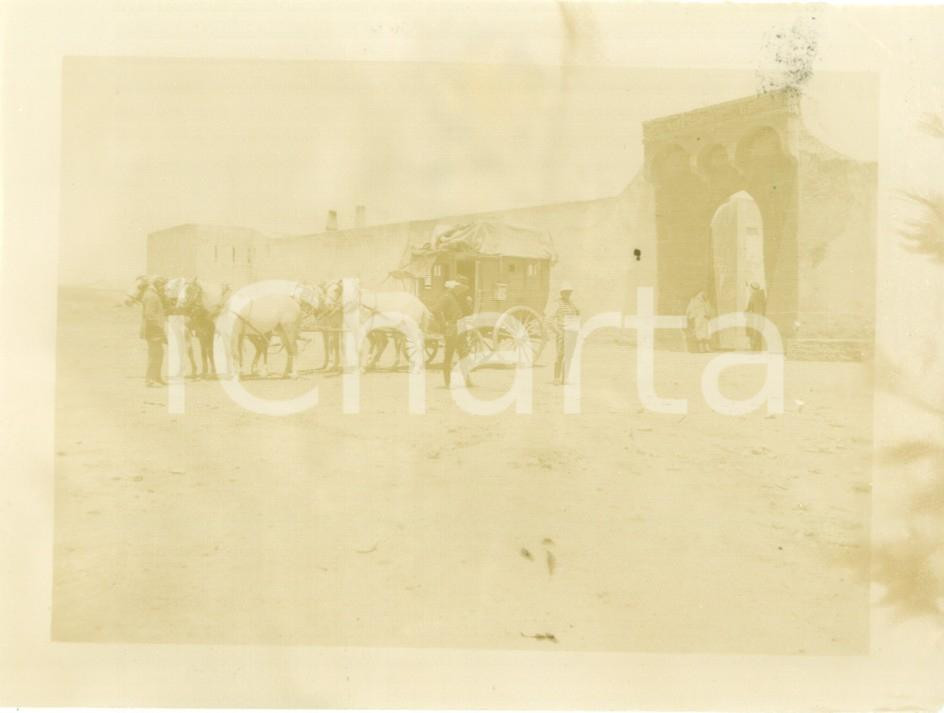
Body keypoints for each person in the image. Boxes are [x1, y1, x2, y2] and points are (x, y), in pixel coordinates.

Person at [434, 280, 474, 388]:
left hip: (453, 328)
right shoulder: (459, 298)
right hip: (461, 327)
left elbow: (436, 310)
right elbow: (469, 312)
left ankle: (448, 383)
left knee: (449, 355)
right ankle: (467, 381)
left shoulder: (446, 297)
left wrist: (444, 325)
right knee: (463, 354)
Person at [550, 282, 580, 385]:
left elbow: (576, 315)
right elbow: (549, 320)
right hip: (562, 334)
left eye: (569, 293)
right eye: (565, 292)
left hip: (571, 333)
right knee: (560, 355)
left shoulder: (572, 304)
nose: (567, 294)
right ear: (561, 293)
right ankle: (556, 378)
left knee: (569, 356)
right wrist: (557, 331)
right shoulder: (557, 304)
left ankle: (565, 378)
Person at [140, 275, 168, 386]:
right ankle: (150, 380)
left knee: (159, 353)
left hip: (154, 329)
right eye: (162, 285)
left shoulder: (153, 295)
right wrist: (160, 328)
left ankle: (156, 377)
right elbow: (149, 315)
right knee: (154, 354)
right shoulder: (152, 296)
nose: (164, 288)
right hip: (153, 329)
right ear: (157, 284)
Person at [746, 281, 767, 351]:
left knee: (753, 333)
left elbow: (749, 306)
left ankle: (754, 347)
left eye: (750, 289)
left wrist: (746, 311)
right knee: (759, 332)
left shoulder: (753, 295)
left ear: (752, 289)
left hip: (754, 317)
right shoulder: (762, 295)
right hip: (761, 316)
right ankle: (758, 347)